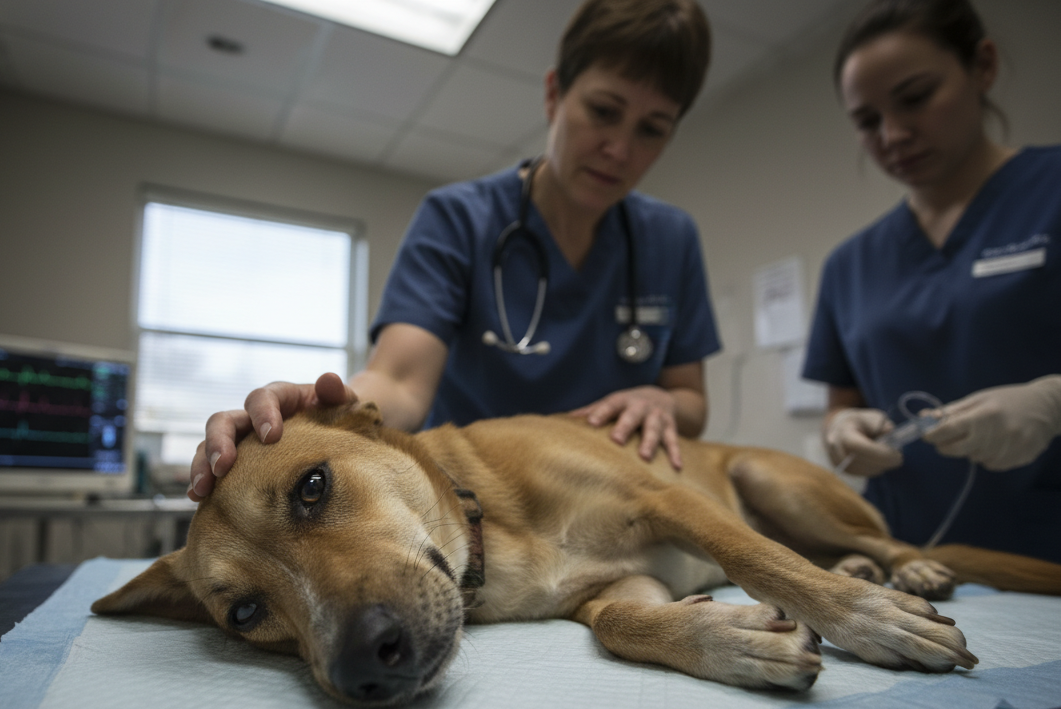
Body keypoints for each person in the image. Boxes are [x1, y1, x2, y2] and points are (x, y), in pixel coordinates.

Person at [188, 0, 722, 503]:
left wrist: (666, 402)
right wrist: (315, 417)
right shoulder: (458, 218)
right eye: (604, 112)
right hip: (481, 499)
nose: (621, 149)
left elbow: (691, 401)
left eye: (653, 130)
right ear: (555, 94)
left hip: (612, 495)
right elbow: (398, 382)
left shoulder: (670, 238)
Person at [802, 1, 1061, 709]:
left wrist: (1052, 401)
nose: (893, 133)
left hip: (1051, 567)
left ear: (982, 66)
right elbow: (841, 400)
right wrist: (845, 431)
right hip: (917, 586)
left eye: (915, 98)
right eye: (867, 120)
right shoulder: (851, 263)